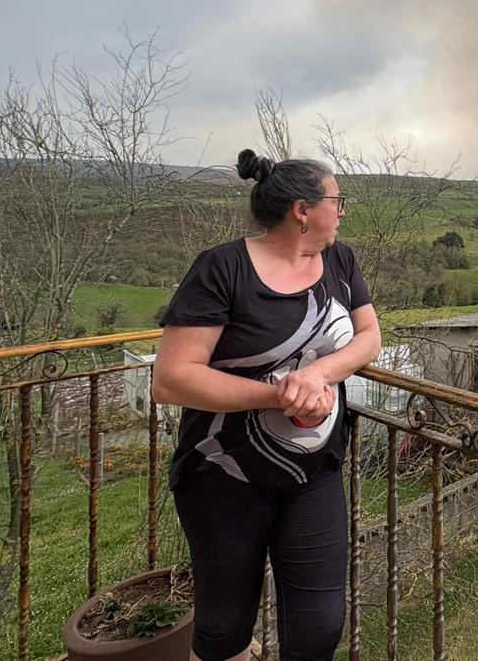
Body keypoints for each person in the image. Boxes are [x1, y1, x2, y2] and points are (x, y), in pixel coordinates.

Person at [152, 150, 381, 661]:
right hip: (223, 474)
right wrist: (279, 394)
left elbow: (369, 338)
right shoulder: (222, 268)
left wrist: (319, 373)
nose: (342, 211)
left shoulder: (340, 261)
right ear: (303, 210)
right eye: (337, 201)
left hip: (314, 470)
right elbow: (171, 378)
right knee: (224, 627)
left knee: (320, 626)